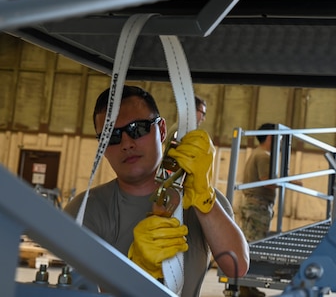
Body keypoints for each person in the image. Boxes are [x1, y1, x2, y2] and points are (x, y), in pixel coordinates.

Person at [65, 85, 249, 297]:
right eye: (112, 136)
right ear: (102, 148)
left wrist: (203, 199)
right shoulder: (85, 211)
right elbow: (81, 290)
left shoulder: (201, 200)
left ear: (161, 130)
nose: (127, 143)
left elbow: (237, 267)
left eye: (138, 129)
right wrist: (138, 267)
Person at [237, 123, 302, 297]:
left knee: (250, 243)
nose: (281, 142)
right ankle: (244, 286)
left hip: (253, 204)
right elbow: (267, 181)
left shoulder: (258, 154)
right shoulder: (264, 156)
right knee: (253, 245)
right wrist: (291, 181)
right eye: (279, 138)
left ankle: (247, 286)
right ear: (271, 137)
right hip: (257, 206)